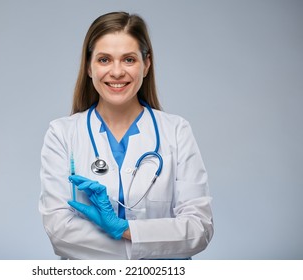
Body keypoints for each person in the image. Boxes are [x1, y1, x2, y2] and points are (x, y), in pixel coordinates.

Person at [39, 11, 213, 259]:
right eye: (104, 60)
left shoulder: (176, 131)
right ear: (89, 67)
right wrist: (150, 243)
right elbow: (60, 233)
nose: (117, 72)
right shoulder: (62, 134)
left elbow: (199, 228)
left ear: (146, 65)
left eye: (129, 60)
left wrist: (126, 230)